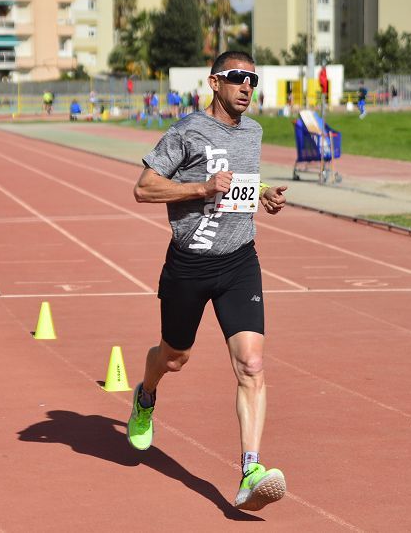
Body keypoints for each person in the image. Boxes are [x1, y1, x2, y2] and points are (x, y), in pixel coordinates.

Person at [128, 50, 289, 512]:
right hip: (189, 265)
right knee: (175, 357)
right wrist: (200, 188)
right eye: (238, 78)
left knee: (252, 365)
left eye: (254, 81)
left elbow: (237, 185)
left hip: (239, 262)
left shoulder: (254, 132)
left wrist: (262, 195)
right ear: (215, 82)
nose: (247, 87)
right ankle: (146, 393)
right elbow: (143, 188)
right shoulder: (186, 131)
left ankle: (250, 470)